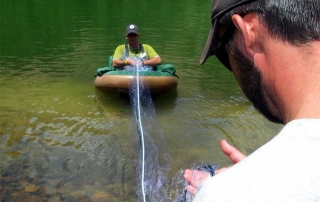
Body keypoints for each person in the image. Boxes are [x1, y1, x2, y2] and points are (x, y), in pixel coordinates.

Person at [184, 0, 320, 201]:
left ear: (249, 32)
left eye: (224, 54)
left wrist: (242, 188)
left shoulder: (222, 196)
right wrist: (265, 173)